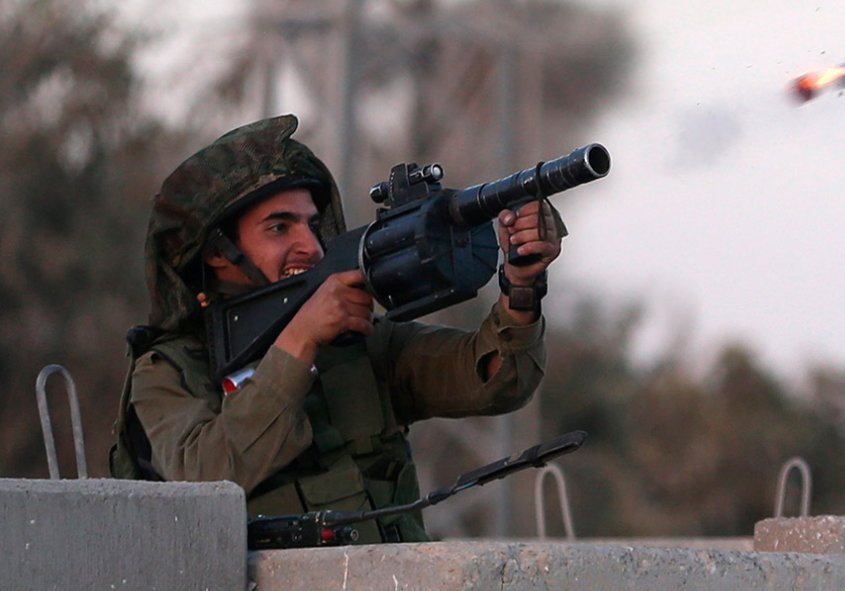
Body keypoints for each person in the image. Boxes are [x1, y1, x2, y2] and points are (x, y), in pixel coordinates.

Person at [109, 114, 563, 543]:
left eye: (310, 225)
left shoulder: (358, 340)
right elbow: (208, 475)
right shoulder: (167, 372)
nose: (308, 244)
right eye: (279, 228)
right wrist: (299, 341)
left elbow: (495, 381)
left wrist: (521, 285)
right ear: (217, 252)